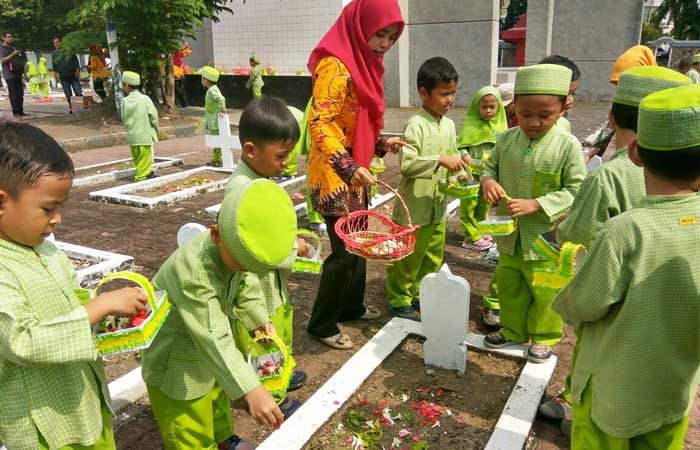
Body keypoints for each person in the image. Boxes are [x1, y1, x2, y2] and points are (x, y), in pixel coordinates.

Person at [538, 65, 692, 438]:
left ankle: (571, 398)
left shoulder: (612, 181)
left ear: (613, 116)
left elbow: (585, 288)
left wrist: (564, 303)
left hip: (615, 359)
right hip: (675, 378)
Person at [0, 122, 148, 450]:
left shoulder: (44, 247)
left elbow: (70, 297)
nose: (57, 219)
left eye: (61, 207)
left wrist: (111, 318)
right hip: (44, 425)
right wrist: (99, 307)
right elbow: (22, 341)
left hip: (82, 399)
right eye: (47, 209)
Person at [142, 178, 298, 450]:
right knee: (188, 423)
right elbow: (214, 337)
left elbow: (245, 285)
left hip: (207, 350)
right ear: (215, 234)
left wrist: (258, 319)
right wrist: (252, 389)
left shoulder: (233, 251)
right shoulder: (193, 273)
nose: (242, 270)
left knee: (216, 394)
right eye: (240, 264)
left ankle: (224, 437)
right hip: (176, 361)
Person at [305, 0, 406, 350]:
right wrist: (348, 166)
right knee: (344, 253)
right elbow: (320, 123)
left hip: (355, 171)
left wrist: (380, 144)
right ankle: (321, 324)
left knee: (359, 243)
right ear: (360, 26)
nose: (384, 44)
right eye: (380, 34)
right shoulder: (335, 66)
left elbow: (353, 123)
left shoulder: (364, 64)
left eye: (391, 37)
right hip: (335, 174)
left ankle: (350, 306)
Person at [480, 63, 587, 363]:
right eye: (526, 115)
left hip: (544, 238)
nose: (534, 122)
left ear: (562, 108)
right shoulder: (506, 140)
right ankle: (513, 330)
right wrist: (488, 180)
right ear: (515, 108)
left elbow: (576, 190)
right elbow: (489, 167)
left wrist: (538, 204)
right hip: (510, 236)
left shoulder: (567, 147)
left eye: (545, 115)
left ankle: (543, 337)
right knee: (510, 283)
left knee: (545, 288)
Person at [224, 97, 308, 418]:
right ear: (250, 150)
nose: (287, 162)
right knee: (262, 339)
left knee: (280, 330)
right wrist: (291, 250)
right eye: (281, 155)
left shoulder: (259, 180)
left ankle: (282, 373)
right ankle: (271, 394)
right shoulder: (243, 191)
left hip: (271, 284)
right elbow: (255, 249)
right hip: (253, 289)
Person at [384, 57, 461, 320]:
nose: (449, 99)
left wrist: (461, 165)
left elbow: (453, 154)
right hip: (413, 207)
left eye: (452, 93)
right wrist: (439, 160)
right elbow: (408, 165)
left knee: (432, 255)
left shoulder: (449, 125)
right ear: (424, 93)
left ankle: (420, 294)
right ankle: (399, 298)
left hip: (437, 205)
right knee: (408, 255)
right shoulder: (415, 125)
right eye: (443, 94)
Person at [586, 45, 658, 163]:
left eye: (626, 83)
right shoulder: (619, 102)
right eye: (619, 83)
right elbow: (607, 131)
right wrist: (589, 155)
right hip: (617, 159)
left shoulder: (655, 107)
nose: (622, 88)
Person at [457, 86, 507, 252]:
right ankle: (471, 236)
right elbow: (461, 145)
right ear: (476, 107)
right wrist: (465, 156)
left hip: (488, 174)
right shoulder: (470, 125)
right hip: (471, 174)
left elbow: (502, 150)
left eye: (492, 107)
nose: (488, 111)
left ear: (498, 107)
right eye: (484, 107)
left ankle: (478, 230)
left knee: (484, 204)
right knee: (469, 204)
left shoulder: (500, 127)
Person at [121, 71, 159, 181]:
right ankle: (142, 177)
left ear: (127, 86)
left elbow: (123, 117)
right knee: (145, 158)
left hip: (132, 136)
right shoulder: (145, 99)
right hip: (144, 136)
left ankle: (145, 173)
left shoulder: (125, 101)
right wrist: (156, 129)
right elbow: (154, 116)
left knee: (137, 158)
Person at [539, 55, 581, 134]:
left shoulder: (564, 124)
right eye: (565, 94)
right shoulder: (525, 124)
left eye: (573, 93)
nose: (570, 100)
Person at [201, 66, 226, 167]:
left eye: (202, 78)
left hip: (215, 121)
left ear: (206, 80)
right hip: (212, 120)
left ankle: (217, 159)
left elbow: (221, 99)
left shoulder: (212, 90)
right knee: (216, 140)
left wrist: (222, 111)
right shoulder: (212, 89)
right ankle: (217, 158)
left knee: (217, 141)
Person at [52, 36, 83, 113]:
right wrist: (56, 75)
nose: (56, 44)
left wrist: (77, 71)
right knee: (68, 94)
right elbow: (54, 65)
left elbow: (76, 62)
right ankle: (73, 108)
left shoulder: (69, 50)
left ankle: (80, 108)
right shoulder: (54, 54)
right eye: (55, 43)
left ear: (61, 42)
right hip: (63, 77)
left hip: (73, 76)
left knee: (78, 92)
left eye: (57, 42)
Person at [0, 32, 27, 116]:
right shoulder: (1, 48)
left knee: (20, 94)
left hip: (18, 73)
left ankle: (21, 111)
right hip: (9, 74)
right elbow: (2, 60)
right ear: (3, 38)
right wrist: (13, 54)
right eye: (8, 37)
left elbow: (18, 60)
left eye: (11, 37)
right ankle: (16, 112)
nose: (10, 38)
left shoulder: (13, 48)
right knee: (13, 94)